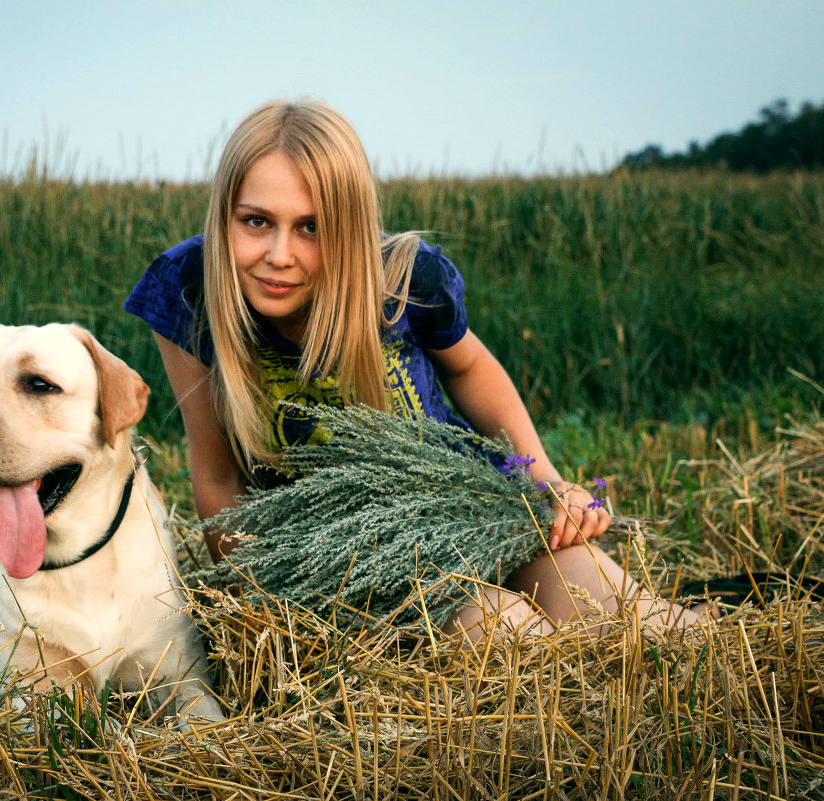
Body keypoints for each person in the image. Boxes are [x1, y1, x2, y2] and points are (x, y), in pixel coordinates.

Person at [124, 98, 704, 640]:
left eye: (312, 227)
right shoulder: (187, 290)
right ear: (224, 213)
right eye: (256, 221)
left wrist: (546, 480)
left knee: (639, 625)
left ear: (349, 226)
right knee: (511, 640)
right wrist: (263, 604)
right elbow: (219, 477)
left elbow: (471, 368)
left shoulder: (403, 279)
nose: (280, 254)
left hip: (473, 504)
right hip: (345, 555)